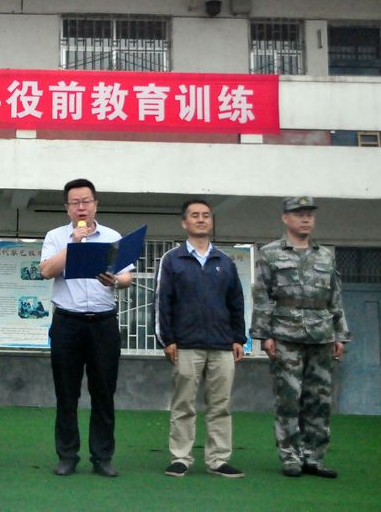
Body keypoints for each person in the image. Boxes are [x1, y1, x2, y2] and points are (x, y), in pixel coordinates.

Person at [250, 197, 350, 479]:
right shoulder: (270, 254)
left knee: (319, 400)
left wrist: (340, 334)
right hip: (286, 335)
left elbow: (335, 298)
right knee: (288, 398)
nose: (305, 219)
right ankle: (291, 456)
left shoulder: (325, 256)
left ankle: (314, 457)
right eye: (299, 214)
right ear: (285, 218)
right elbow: (262, 296)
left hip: (322, 335)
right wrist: (264, 335)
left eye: (309, 215)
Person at [40, 178, 133, 478]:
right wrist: (74, 244)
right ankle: (67, 456)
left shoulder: (112, 236)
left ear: (96, 204)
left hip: (103, 324)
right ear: (67, 208)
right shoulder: (56, 237)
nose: (81, 207)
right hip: (68, 323)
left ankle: (102, 457)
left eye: (86, 201)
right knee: (66, 393)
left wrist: (115, 280)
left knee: (104, 392)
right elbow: (46, 270)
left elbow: (127, 277)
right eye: (75, 203)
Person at [154, 199, 246, 479]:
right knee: (183, 404)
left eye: (206, 215)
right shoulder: (172, 260)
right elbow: (162, 302)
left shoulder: (225, 262)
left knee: (221, 406)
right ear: (185, 223)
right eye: (195, 215)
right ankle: (181, 457)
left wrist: (238, 338)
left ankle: (218, 459)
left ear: (212, 222)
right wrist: (167, 339)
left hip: (222, 345)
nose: (201, 219)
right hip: (185, 345)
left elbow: (236, 302)